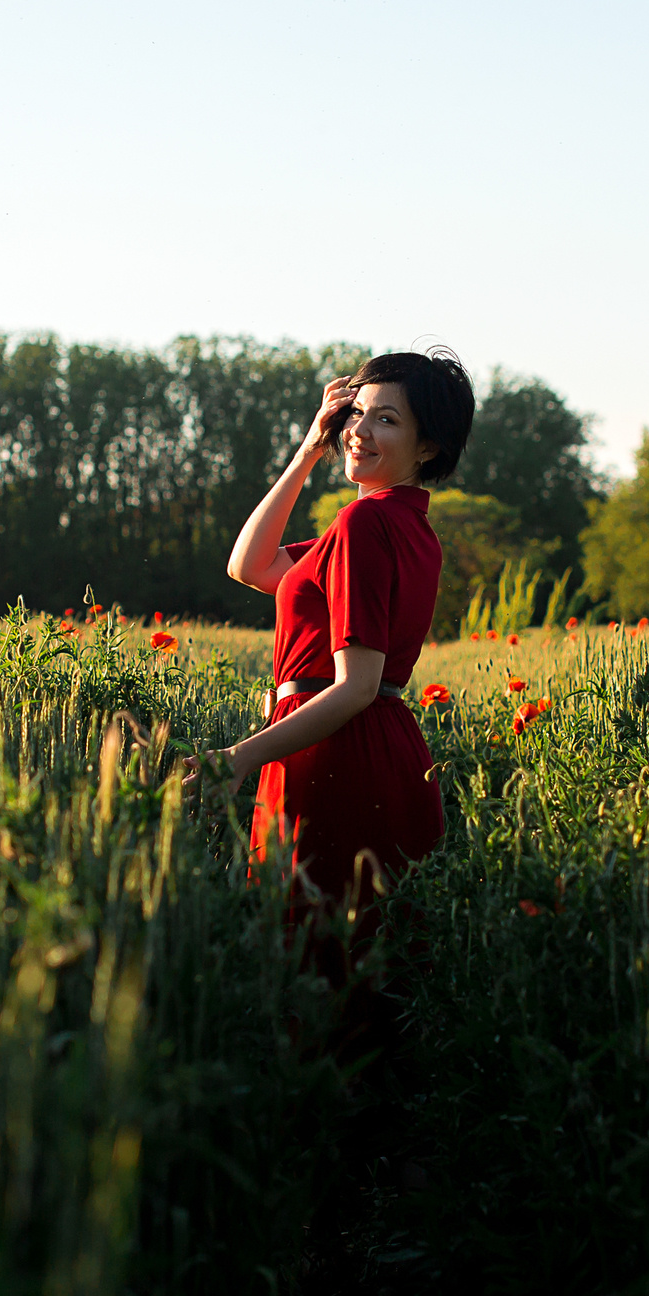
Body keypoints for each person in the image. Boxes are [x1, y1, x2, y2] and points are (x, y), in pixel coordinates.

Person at [192, 347, 475, 923]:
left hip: (336, 754)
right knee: (363, 956)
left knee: (311, 950)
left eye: (386, 419)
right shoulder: (403, 525)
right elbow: (250, 565)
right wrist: (309, 449)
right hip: (367, 748)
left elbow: (357, 686)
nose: (359, 431)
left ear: (427, 447)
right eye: (356, 413)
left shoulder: (366, 523)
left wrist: (239, 757)